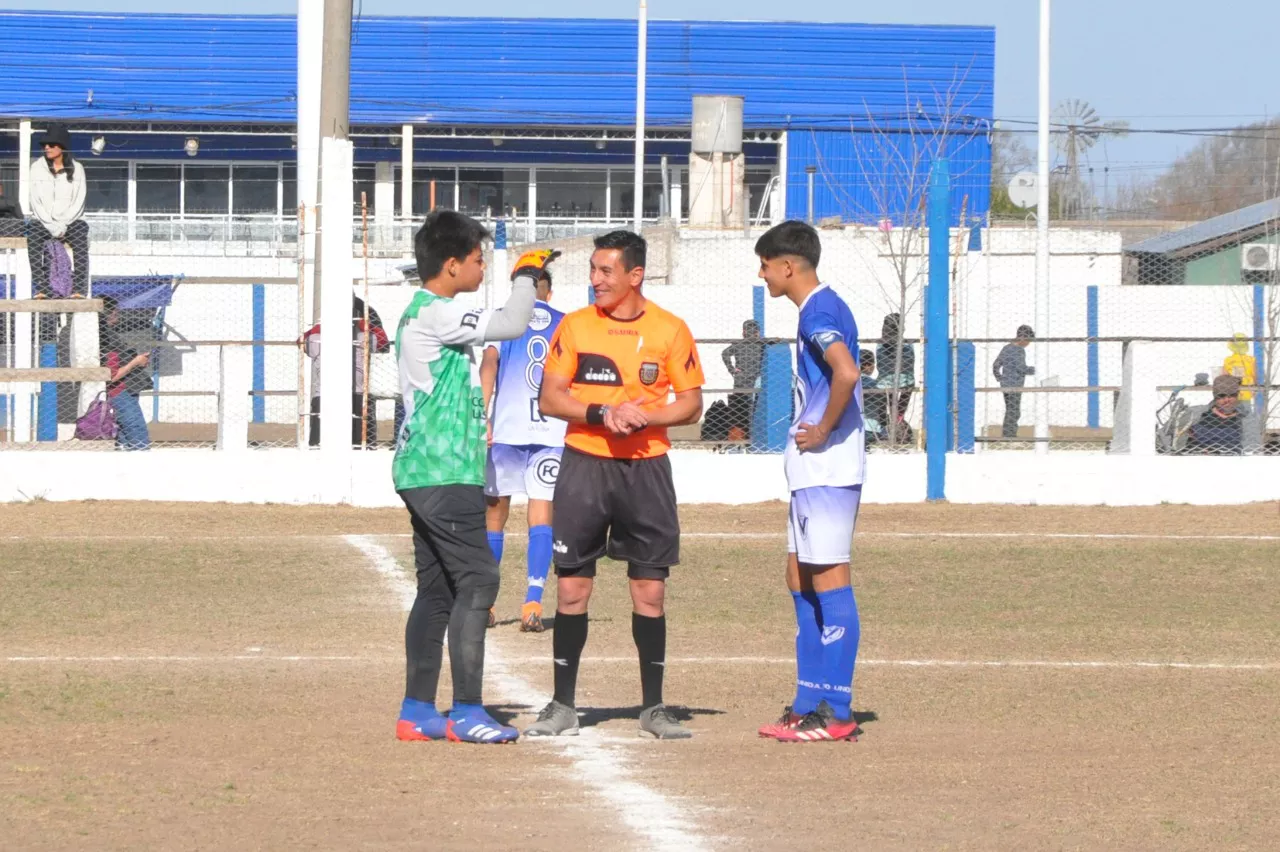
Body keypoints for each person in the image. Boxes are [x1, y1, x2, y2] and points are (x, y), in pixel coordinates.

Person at [524, 230, 705, 740]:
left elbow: (691, 404)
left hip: (646, 471)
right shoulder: (577, 327)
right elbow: (550, 398)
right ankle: (562, 705)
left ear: (635, 275)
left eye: (606, 271)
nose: (595, 280)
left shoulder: (671, 330)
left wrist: (643, 419)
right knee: (573, 588)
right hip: (584, 465)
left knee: (649, 592)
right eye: (593, 270)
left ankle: (653, 707)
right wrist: (604, 412)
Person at [391, 211, 555, 745]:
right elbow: (510, 323)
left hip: (426, 470)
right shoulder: (437, 313)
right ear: (453, 264)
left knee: (437, 589)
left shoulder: (425, 312)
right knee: (479, 582)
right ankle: (464, 711)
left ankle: (417, 711)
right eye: (480, 259)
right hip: (443, 473)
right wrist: (526, 276)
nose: (484, 266)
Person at [752, 221, 865, 743]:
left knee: (829, 578)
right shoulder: (816, 310)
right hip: (811, 472)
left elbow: (846, 371)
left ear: (788, 266)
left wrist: (822, 429)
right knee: (799, 576)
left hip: (828, 468)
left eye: (766, 265)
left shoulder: (819, 310)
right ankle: (807, 699)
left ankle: (836, 710)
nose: (763, 274)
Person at [480, 260, 565, 634]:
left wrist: (481, 414)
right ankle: (533, 602)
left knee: (495, 516)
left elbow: (489, 364)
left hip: (508, 430)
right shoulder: (567, 322)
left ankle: (485, 603)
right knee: (541, 513)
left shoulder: (503, 319)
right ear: (548, 290)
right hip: (552, 432)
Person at [301, 295, 389, 447]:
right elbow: (383, 341)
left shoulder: (317, 336)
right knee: (357, 443)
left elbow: (301, 341)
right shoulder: (364, 335)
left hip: (330, 394)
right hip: (353, 393)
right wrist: (366, 325)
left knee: (321, 442)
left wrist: (319, 328)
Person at [28, 125, 89, 299]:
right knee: (32, 234)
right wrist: (51, 225)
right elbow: (35, 201)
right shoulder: (36, 168)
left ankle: (78, 289)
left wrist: (63, 224)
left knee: (80, 234)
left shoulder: (78, 169)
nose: (46, 148)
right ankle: (41, 289)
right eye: (44, 145)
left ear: (62, 146)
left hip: (70, 221)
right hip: (44, 221)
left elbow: (79, 201)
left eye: (51, 144)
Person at [99, 296, 152, 451]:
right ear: (109, 314)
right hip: (120, 390)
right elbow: (112, 376)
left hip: (126, 389)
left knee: (124, 433)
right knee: (136, 430)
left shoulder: (107, 334)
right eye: (115, 312)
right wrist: (136, 362)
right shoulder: (106, 339)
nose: (118, 316)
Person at [721, 319, 764, 442]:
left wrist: (732, 370)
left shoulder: (739, 344)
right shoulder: (761, 344)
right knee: (753, 408)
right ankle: (752, 437)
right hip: (754, 379)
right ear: (757, 332)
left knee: (738, 410)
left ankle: (738, 438)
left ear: (744, 331)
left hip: (742, 380)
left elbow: (724, 354)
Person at [993, 325, 1036, 439]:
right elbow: (1020, 368)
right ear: (1022, 338)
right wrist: (1035, 370)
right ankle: (1009, 435)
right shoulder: (1019, 350)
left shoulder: (1006, 348)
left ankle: (1008, 434)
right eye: (1028, 341)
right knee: (1014, 411)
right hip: (1015, 385)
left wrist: (1000, 378)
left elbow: (996, 365)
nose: (1028, 344)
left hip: (1005, 385)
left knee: (1010, 409)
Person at [875, 313, 914, 438]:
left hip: (884, 381)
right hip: (904, 381)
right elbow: (909, 364)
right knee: (909, 384)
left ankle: (893, 420)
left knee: (888, 397)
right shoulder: (907, 344)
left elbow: (881, 365)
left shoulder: (880, 344)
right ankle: (898, 418)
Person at [1186, 374, 1245, 455]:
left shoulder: (1247, 419)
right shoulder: (1198, 415)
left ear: (1237, 395)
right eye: (1221, 395)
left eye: (1232, 395)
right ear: (1215, 396)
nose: (1227, 400)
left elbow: (1253, 449)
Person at [1222, 333, 1257, 414]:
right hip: (1247, 391)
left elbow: (1224, 377)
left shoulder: (1228, 360)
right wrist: (1254, 388)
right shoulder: (1251, 360)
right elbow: (1255, 375)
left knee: (1232, 414)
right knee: (1247, 414)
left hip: (1232, 391)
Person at [860, 350, 884, 442]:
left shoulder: (850, 382)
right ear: (868, 366)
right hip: (870, 430)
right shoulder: (873, 384)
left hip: (851, 429)